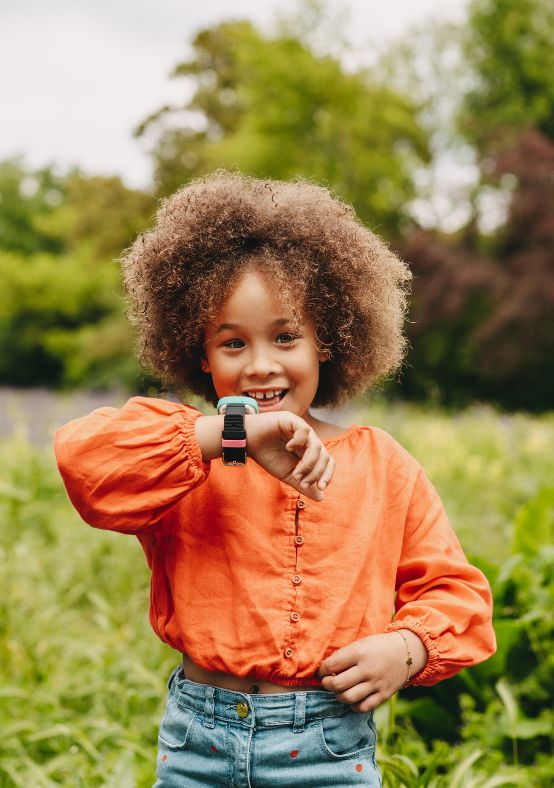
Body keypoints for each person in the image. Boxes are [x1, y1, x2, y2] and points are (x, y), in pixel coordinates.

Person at [54, 171, 496, 787]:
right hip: (197, 746)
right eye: (232, 343)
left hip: (329, 747)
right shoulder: (188, 453)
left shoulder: (384, 465)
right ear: (200, 355)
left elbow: (458, 594)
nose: (261, 364)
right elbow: (86, 462)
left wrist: (406, 649)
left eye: (286, 336)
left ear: (329, 341)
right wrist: (232, 435)